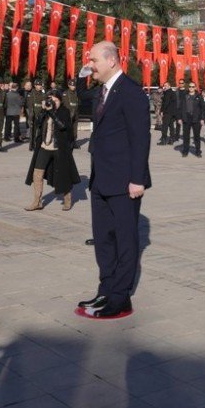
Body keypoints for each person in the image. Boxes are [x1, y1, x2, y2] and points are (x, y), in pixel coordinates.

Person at [78, 41, 151, 319]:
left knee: (125, 240)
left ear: (111, 60)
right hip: (101, 180)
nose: (90, 65)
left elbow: (140, 140)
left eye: (93, 60)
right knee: (103, 239)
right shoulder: (102, 92)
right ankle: (106, 289)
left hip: (124, 183)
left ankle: (121, 297)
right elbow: (77, 94)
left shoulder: (131, 93)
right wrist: (82, 73)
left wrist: (137, 179)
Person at [24, 89, 81, 211]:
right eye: (50, 100)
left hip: (59, 147)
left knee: (63, 173)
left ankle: (67, 199)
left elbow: (63, 126)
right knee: (37, 173)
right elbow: (37, 123)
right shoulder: (46, 111)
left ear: (60, 100)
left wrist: (52, 113)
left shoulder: (64, 112)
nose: (53, 102)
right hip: (45, 146)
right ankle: (37, 201)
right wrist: (44, 111)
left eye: (55, 100)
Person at [178, 81, 205, 157]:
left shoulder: (199, 96)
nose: (191, 88)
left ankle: (198, 151)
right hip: (186, 118)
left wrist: (202, 119)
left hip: (196, 118)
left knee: (197, 136)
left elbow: (203, 108)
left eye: (193, 87)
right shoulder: (184, 96)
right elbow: (180, 108)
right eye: (190, 86)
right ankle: (185, 151)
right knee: (186, 136)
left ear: (195, 88)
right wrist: (179, 118)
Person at [27, 79, 46, 151]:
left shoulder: (43, 94)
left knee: (40, 131)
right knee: (33, 131)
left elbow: (44, 105)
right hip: (33, 115)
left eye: (41, 85)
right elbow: (30, 106)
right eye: (38, 85)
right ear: (35, 86)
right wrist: (31, 115)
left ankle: (38, 144)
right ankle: (32, 145)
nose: (40, 86)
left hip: (41, 115)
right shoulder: (31, 94)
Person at [63, 79, 81, 145]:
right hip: (69, 113)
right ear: (68, 85)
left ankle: (74, 141)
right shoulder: (65, 93)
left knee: (75, 128)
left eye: (74, 85)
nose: (73, 87)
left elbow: (78, 102)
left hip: (76, 113)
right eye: (72, 85)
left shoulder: (76, 93)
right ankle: (67, 141)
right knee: (68, 128)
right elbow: (66, 104)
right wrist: (70, 112)